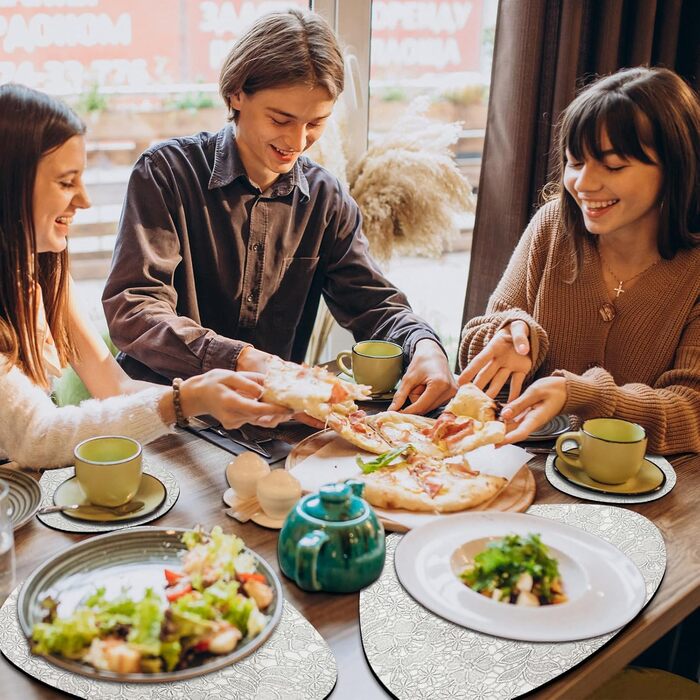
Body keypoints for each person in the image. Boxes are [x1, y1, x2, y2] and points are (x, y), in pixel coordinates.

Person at [102, 9, 456, 419]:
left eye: (316, 123)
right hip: (166, 415)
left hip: (266, 423)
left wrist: (424, 345)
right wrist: (242, 359)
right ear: (236, 93)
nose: (297, 141)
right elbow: (134, 309)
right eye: (281, 119)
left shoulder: (326, 199)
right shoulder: (166, 173)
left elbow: (375, 305)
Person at [0, 84, 292, 468]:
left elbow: (114, 388)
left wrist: (220, 396)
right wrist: (184, 400)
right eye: (66, 182)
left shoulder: (43, 272)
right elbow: (37, 438)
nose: (84, 200)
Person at [459, 66, 700, 454]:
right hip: (524, 470)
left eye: (613, 166)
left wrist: (587, 395)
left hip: (645, 498)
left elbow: (691, 410)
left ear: (675, 167)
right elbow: (476, 348)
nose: (584, 184)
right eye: (575, 162)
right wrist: (510, 336)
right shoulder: (552, 225)